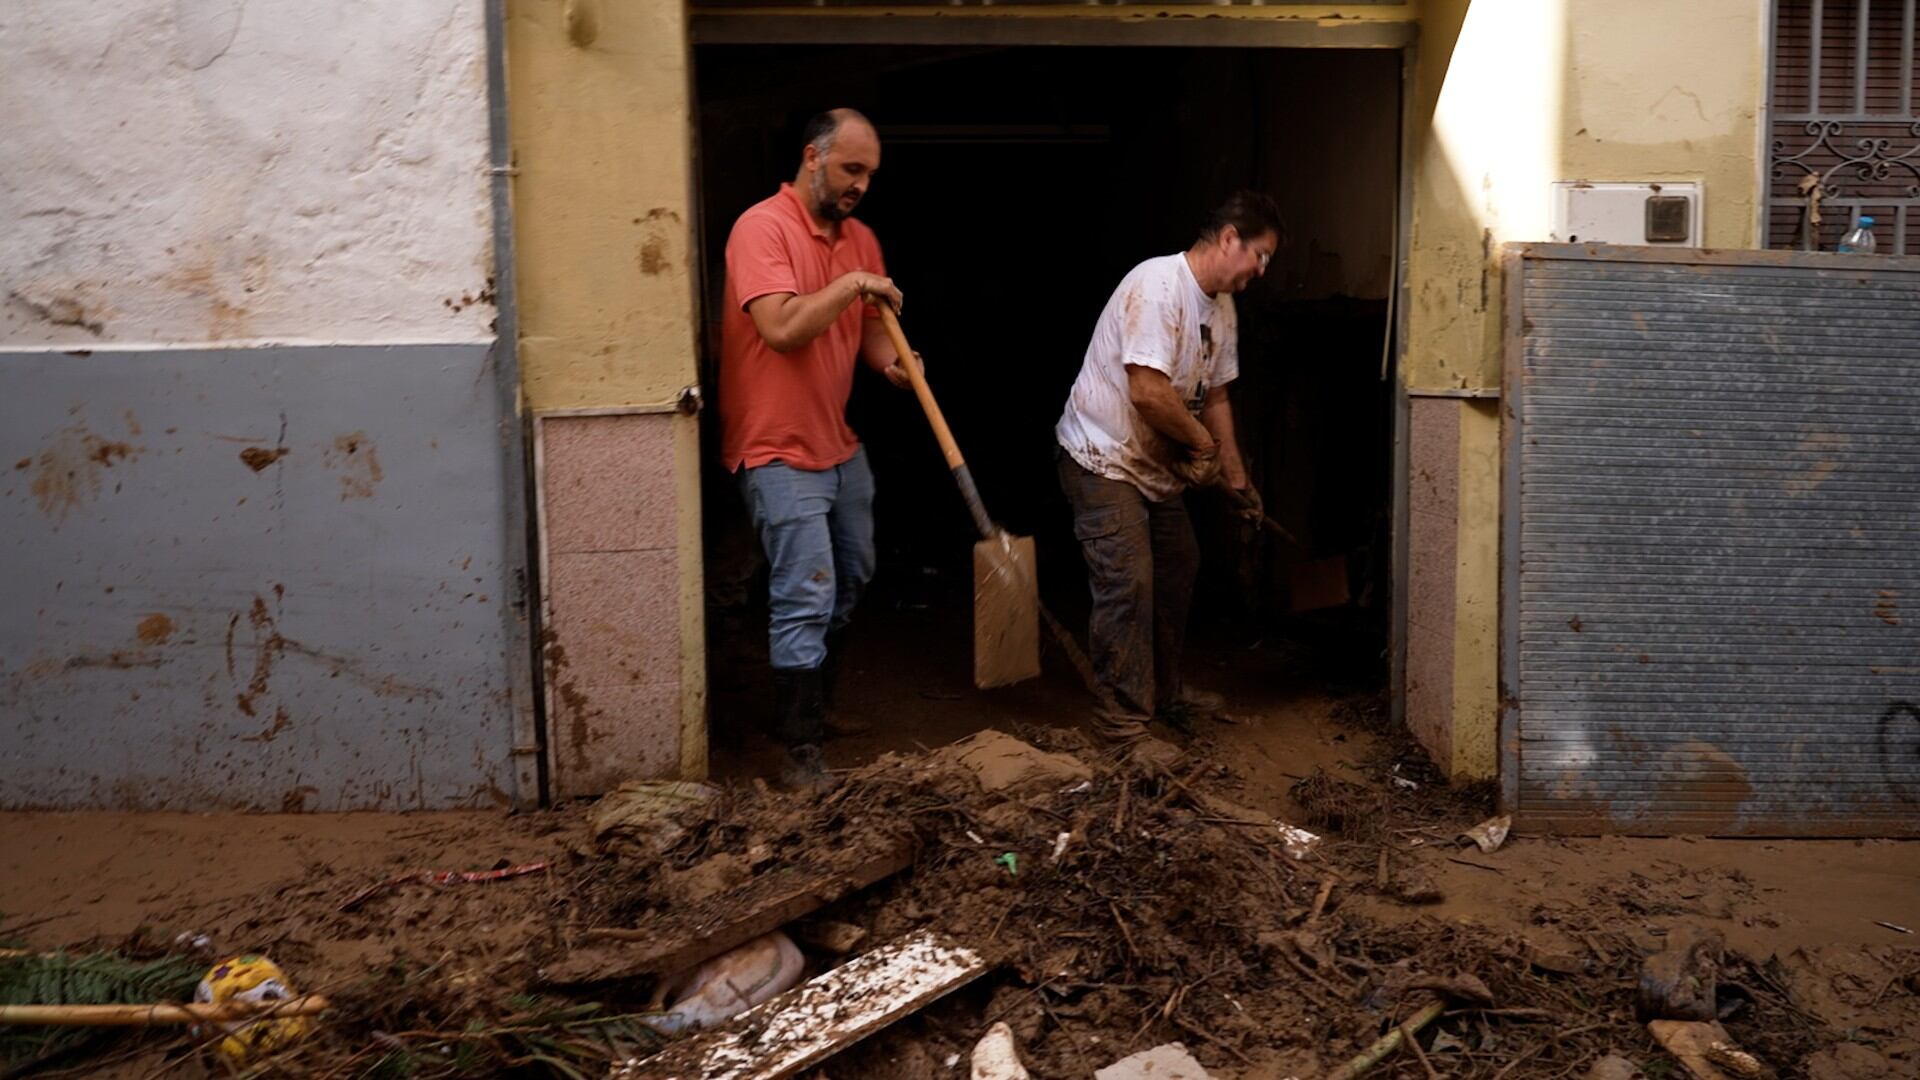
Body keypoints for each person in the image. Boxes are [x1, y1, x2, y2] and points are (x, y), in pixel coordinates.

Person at [718, 108, 914, 787]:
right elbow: (780, 327)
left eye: (869, 174)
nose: (861, 184)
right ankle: (797, 748)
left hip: (837, 443)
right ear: (812, 157)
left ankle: (817, 707)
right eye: (850, 168)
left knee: (852, 574)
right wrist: (853, 284)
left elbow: (867, 332)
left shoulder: (859, 238)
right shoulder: (760, 229)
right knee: (806, 589)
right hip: (774, 446)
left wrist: (893, 361)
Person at [1054, 190, 1283, 741]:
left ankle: (1163, 694)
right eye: (1261, 254)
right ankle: (1122, 726)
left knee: (1179, 564)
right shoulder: (1159, 287)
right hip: (1101, 457)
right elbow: (1149, 392)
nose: (1262, 269)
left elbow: (1220, 396)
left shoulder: (1222, 309)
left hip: (1152, 471)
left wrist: (1237, 480)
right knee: (1129, 582)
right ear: (1230, 239)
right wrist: (1202, 447)